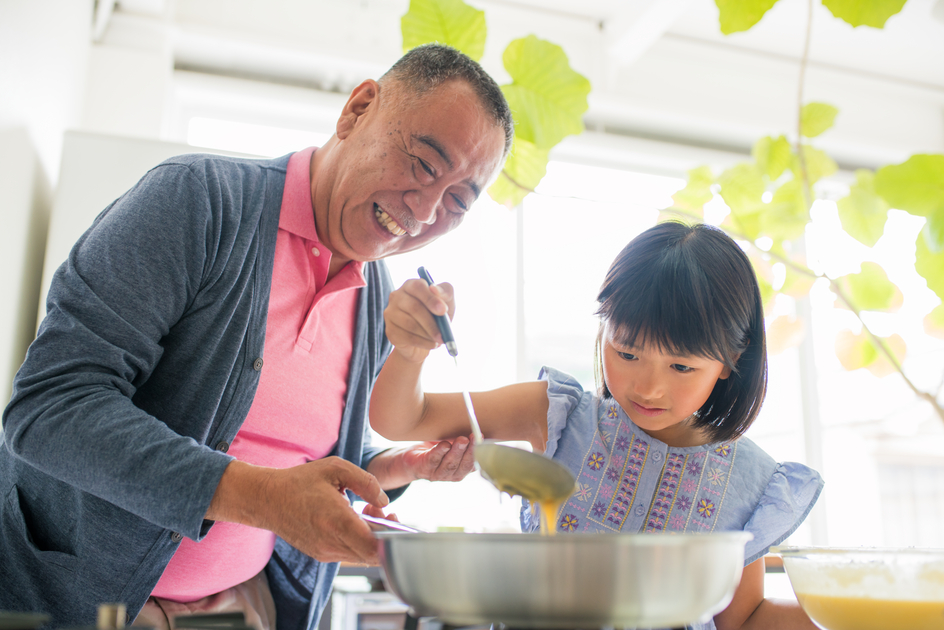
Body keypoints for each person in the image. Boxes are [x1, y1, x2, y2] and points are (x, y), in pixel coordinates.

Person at [0, 44, 513, 630]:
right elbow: (49, 409)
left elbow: (293, 454)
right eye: (424, 164)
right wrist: (265, 498)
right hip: (89, 604)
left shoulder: (375, 297)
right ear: (358, 109)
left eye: (457, 201)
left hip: (237, 607)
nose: (424, 212)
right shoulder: (196, 201)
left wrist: (399, 466)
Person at [370, 221, 825, 630]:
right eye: (627, 354)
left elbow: (742, 620)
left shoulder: (750, 483)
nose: (648, 388)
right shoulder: (556, 417)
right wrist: (411, 352)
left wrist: (862, 612)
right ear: (603, 332)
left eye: (681, 367)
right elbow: (402, 419)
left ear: (730, 363)